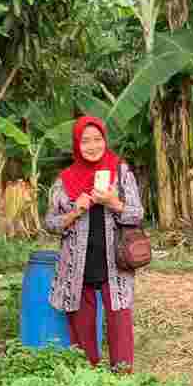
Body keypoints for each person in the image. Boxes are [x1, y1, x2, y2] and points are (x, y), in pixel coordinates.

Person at [44, 116, 145, 371]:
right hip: (77, 269)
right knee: (82, 334)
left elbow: (138, 213)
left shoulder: (120, 171)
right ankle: (89, 385)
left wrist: (113, 202)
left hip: (116, 266)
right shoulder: (65, 179)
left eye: (97, 139)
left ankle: (123, 382)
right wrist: (74, 211)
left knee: (120, 327)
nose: (92, 146)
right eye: (85, 141)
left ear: (105, 140)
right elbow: (50, 224)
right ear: (77, 145)